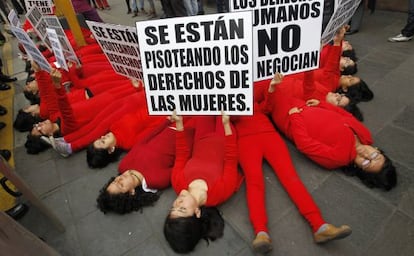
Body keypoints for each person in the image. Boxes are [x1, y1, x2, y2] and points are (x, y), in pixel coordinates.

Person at [232, 92, 352, 254]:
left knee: (291, 178)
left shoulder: (251, 97)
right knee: (254, 183)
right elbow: (229, 120)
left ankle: (319, 225)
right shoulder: (225, 101)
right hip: (246, 141)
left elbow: (267, 108)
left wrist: (272, 90)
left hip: (269, 136)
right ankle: (261, 233)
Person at [265, 73, 397, 191]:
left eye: (367, 163)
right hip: (303, 105)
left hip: (289, 116)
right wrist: (321, 104)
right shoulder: (366, 135)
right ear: (377, 150)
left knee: (269, 90)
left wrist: (294, 117)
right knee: (277, 84)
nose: (366, 155)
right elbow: (346, 116)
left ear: (359, 169)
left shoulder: (338, 158)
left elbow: (305, 144)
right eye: (374, 156)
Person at [163, 113, 243, 253]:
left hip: (201, 136)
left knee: (205, 101)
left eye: (172, 208)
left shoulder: (177, 183)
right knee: (222, 103)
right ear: (197, 212)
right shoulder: (220, 193)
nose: (177, 202)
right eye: (182, 209)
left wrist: (179, 123)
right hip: (223, 135)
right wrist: (226, 125)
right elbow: (231, 159)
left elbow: (182, 154)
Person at [96, 117, 194, 214]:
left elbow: (145, 139)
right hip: (188, 133)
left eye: (114, 181)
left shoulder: (123, 166)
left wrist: (167, 121)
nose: (119, 179)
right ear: (131, 192)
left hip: (170, 126)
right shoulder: (155, 181)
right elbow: (182, 159)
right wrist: (181, 129)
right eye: (121, 185)